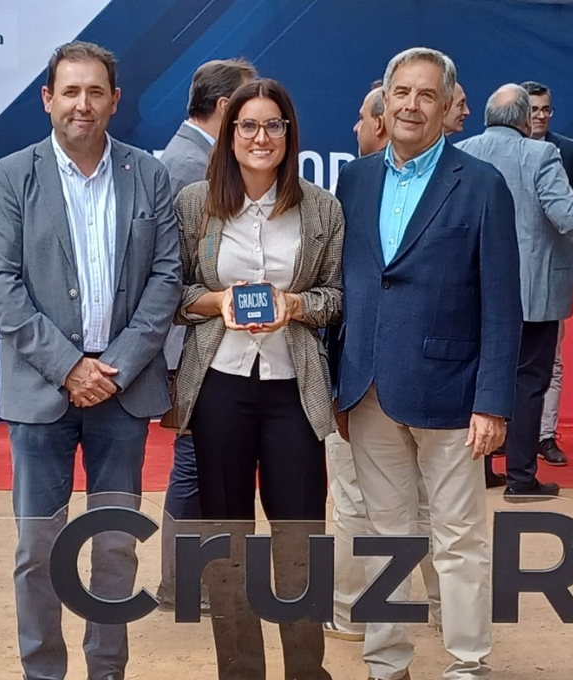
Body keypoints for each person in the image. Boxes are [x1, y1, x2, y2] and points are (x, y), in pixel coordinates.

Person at [0, 41, 182, 680]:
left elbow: (167, 279)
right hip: (42, 393)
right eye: (70, 91)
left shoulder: (148, 174)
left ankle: (107, 671)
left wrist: (112, 364)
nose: (82, 104)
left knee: (115, 545)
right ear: (48, 99)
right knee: (38, 549)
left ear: (115, 101)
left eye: (96, 92)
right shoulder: (12, 177)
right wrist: (68, 367)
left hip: (123, 393)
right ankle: (44, 672)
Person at [336, 47, 521, 680]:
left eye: (426, 95)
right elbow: (352, 285)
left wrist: (493, 402)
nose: (411, 105)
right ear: (383, 103)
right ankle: (388, 661)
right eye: (401, 93)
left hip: (452, 392)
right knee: (383, 535)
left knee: (459, 537)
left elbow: (502, 303)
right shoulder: (355, 180)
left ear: (448, 109)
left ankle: (468, 661)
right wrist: (340, 383)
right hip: (367, 390)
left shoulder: (482, 184)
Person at [171, 77, 342, 680]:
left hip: (294, 389)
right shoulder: (196, 203)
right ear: (229, 132)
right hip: (220, 385)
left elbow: (335, 299)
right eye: (248, 125)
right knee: (226, 541)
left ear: (289, 134)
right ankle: (240, 671)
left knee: (300, 538)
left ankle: (305, 671)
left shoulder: (321, 208)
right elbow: (178, 294)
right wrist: (218, 302)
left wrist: (294, 307)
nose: (261, 137)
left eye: (273, 125)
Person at [324, 82, 443, 644]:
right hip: (360, 378)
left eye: (360, 118)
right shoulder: (350, 185)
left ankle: (359, 610)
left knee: (373, 501)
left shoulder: (457, 184)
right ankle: (366, 612)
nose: (354, 128)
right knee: (396, 503)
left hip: (421, 381)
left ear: (379, 124)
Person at [458, 84, 573, 499]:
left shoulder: (465, 151)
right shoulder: (541, 153)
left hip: (477, 287)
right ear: (526, 120)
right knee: (528, 381)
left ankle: (481, 470)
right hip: (533, 289)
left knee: (483, 377)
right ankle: (522, 477)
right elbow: (563, 212)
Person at [156, 56, 256, 613]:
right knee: (197, 459)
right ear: (225, 108)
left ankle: (185, 581)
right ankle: (182, 583)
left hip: (204, 338)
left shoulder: (191, 159)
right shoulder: (190, 168)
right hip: (195, 340)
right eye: (246, 109)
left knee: (200, 458)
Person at [520, 80, 573, 467]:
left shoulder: (569, 151)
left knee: (549, 360)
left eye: (545, 109)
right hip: (507, 273)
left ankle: (544, 434)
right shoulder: (498, 150)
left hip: (553, 272)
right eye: (533, 109)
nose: (540, 116)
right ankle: (511, 432)